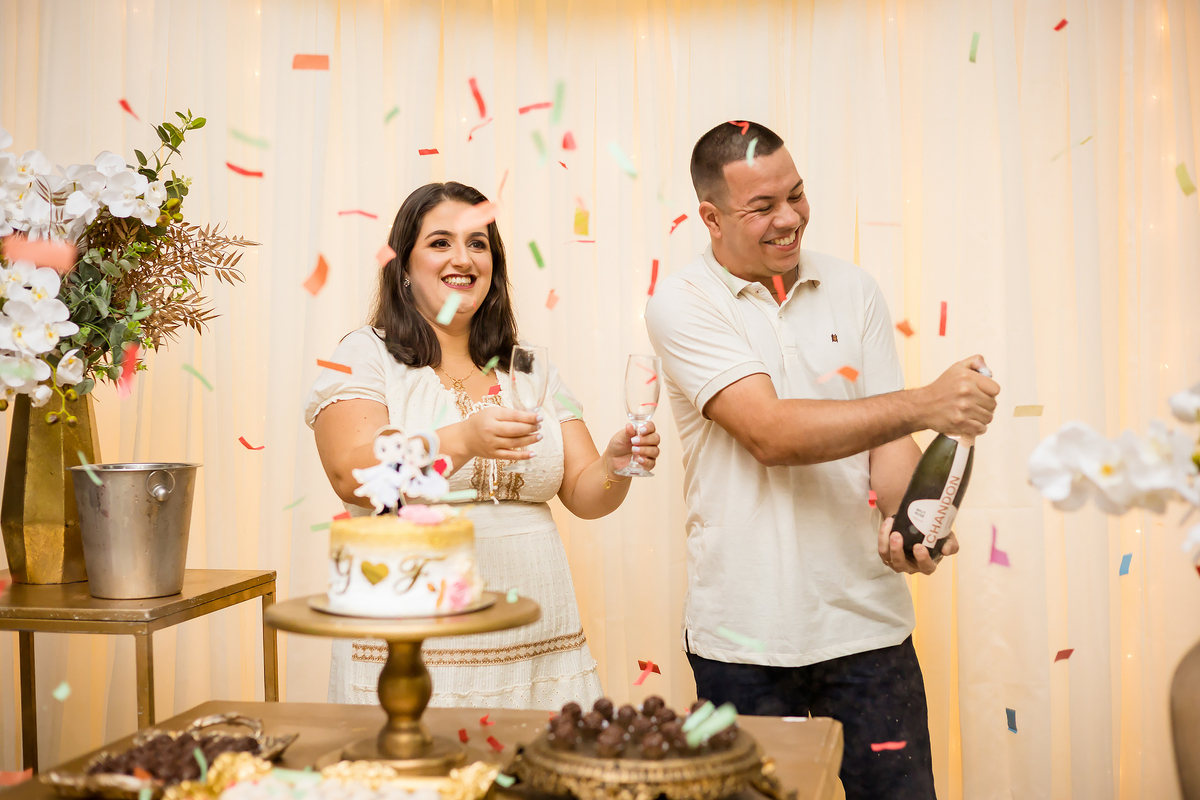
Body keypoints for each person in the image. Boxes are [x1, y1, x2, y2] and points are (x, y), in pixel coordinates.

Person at [644, 121, 1000, 799]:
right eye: (763, 208)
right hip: (741, 636)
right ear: (711, 218)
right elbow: (771, 434)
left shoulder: (854, 288)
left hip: (867, 625)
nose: (789, 220)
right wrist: (925, 402)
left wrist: (908, 522)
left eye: (797, 196)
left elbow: (885, 438)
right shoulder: (680, 304)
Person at [305, 181, 660, 709]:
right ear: (403, 265)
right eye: (440, 242)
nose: (463, 258)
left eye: (478, 243)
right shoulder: (364, 354)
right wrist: (462, 439)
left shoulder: (530, 364)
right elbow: (351, 476)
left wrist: (616, 464)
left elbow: (587, 495)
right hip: (413, 638)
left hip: (536, 637)